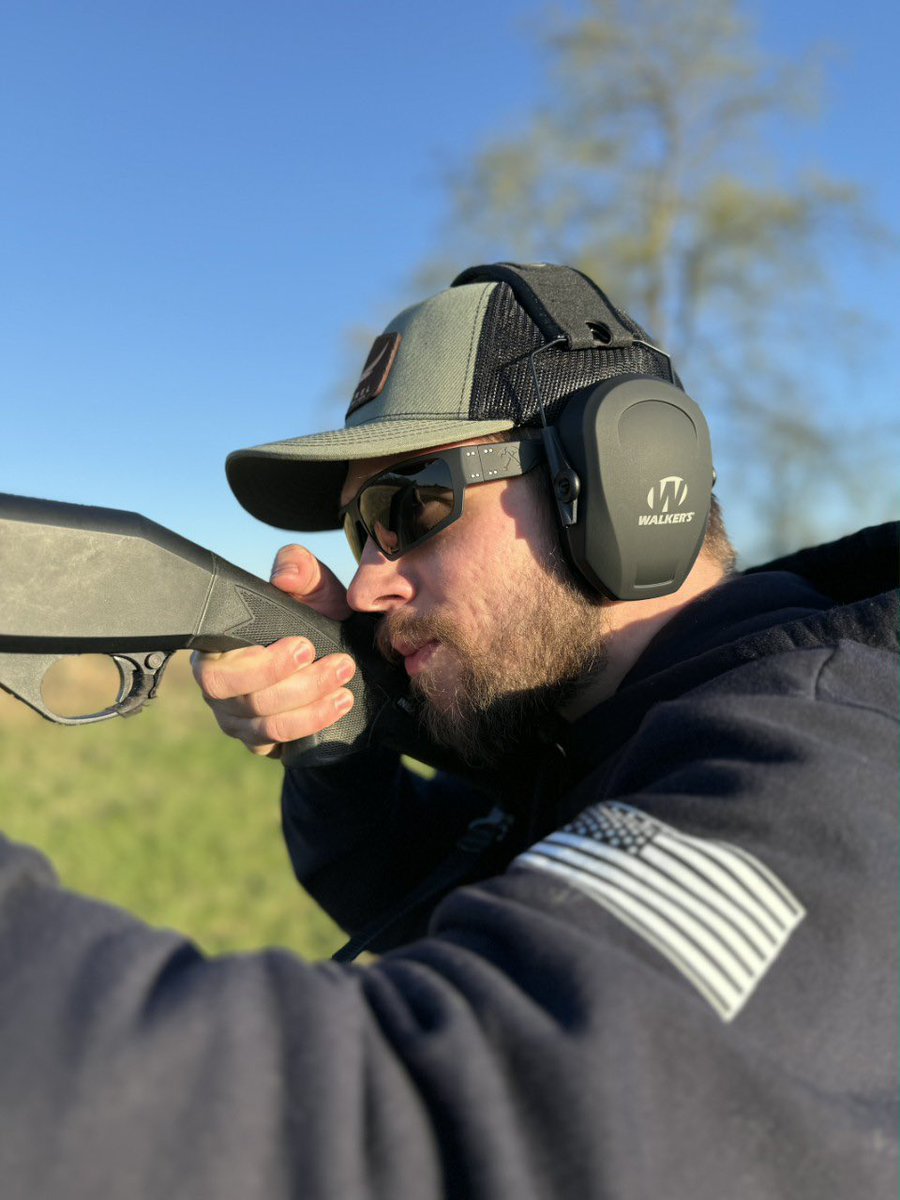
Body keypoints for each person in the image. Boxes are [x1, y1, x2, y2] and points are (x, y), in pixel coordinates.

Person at [0, 263, 896, 1199]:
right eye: (360, 537)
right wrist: (340, 744)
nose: (373, 584)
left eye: (408, 509)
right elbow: (424, 883)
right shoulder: (600, 734)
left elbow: (404, 1128)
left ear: (626, 479)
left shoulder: (818, 773)